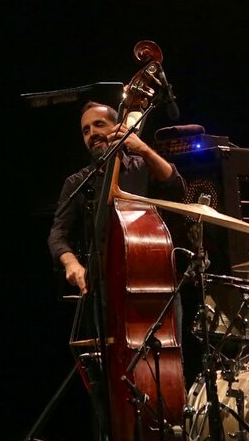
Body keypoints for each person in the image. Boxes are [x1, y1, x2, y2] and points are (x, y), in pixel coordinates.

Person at [48, 101, 187, 296]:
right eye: (86, 130)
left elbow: (177, 188)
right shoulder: (77, 182)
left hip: (153, 280)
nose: (92, 133)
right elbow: (58, 234)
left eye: (99, 124)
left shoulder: (143, 167)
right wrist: (71, 263)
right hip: (100, 288)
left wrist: (143, 149)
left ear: (118, 127)